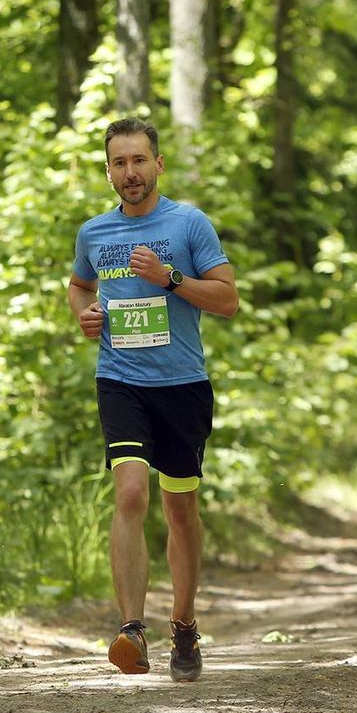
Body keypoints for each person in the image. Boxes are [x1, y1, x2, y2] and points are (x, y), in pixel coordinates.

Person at [68, 118, 239, 682]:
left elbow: (227, 299)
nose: (129, 173)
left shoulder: (188, 224)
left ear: (158, 164)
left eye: (139, 161)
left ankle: (184, 625)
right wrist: (85, 317)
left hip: (182, 386)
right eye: (119, 163)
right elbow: (79, 285)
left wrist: (169, 278)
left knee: (180, 509)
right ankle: (131, 631)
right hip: (121, 381)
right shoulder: (95, 232)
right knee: (132, 491)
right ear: (108, 171)